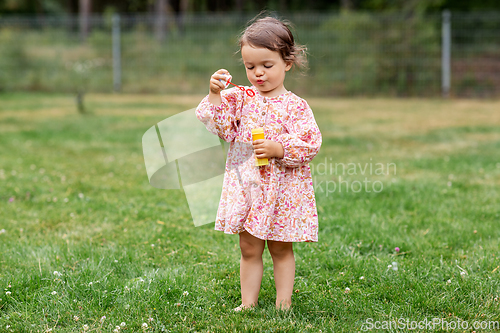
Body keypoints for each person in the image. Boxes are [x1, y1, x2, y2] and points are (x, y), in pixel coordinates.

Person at [195, 15, 322, 312]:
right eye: (250, 67)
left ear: (287, 63)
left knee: (280, 247)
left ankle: (283, 303)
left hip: (282, 192)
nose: (258, 74)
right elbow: (219, 125)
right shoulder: (240, 98)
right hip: (248, 188)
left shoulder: (296, 106)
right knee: (249, 247)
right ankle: (248, 303)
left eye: (267, 66)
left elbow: (310, 142)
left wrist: (279, 148)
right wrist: (215, 93)